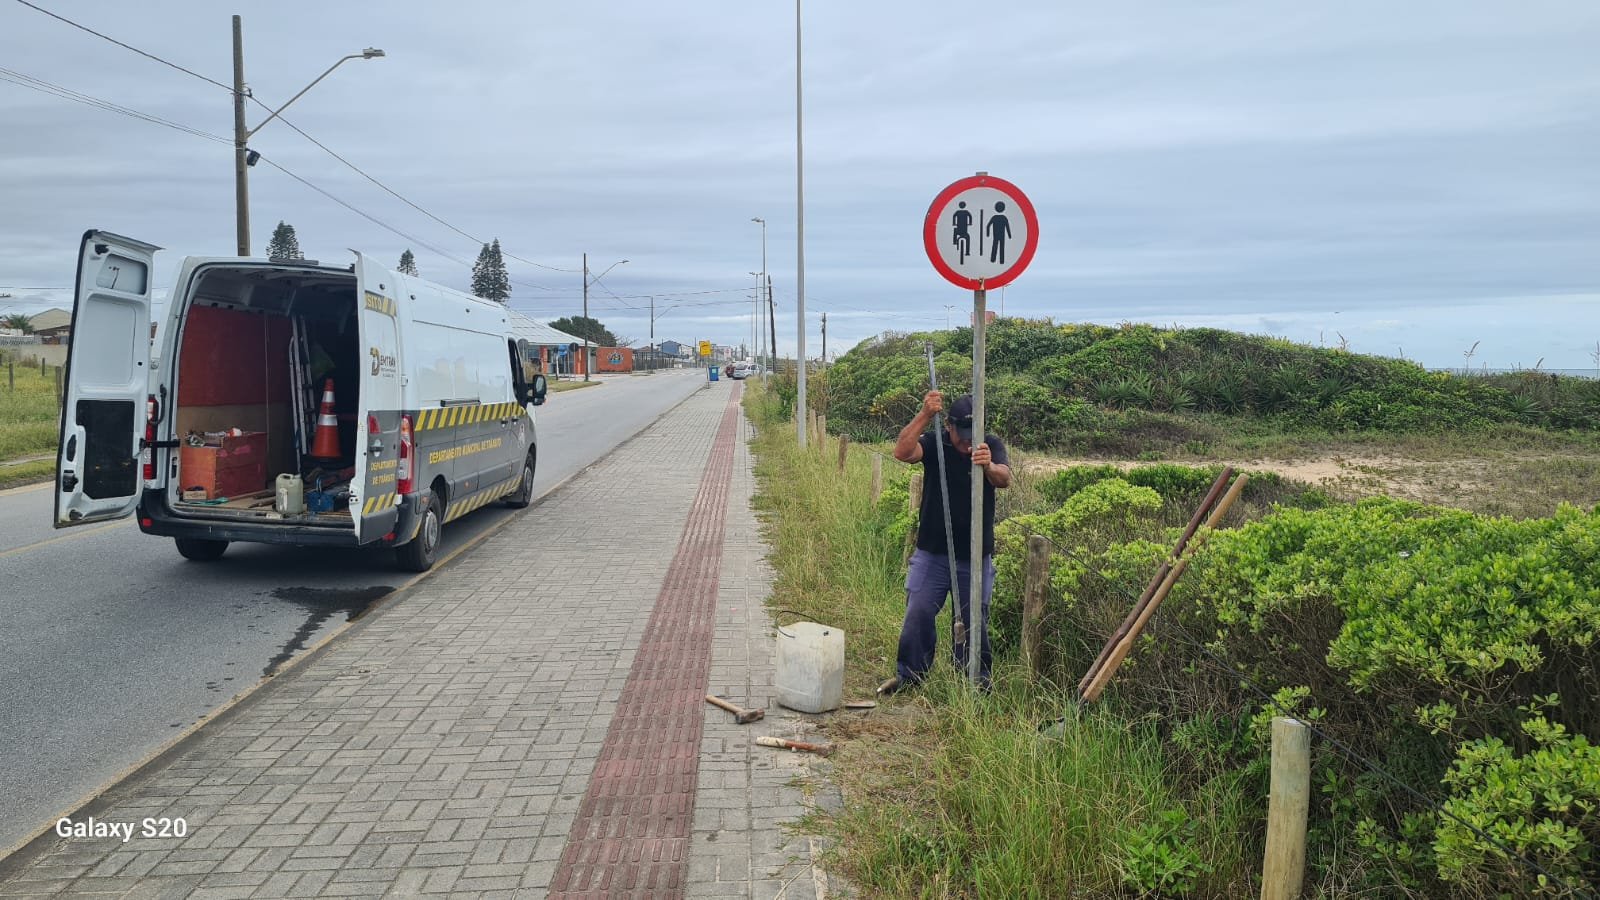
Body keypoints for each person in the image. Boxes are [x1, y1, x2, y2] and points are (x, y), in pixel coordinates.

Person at [883, 391, 1010, 693]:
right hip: (932, 553)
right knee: (919, 611)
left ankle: (974, 684)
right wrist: (925, 414)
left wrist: (989, 467)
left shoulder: (989, 445)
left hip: (975, 555)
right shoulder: (934, 441)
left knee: (973, 620)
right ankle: (909, 678)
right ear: (949, 427)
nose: (967, 443)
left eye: (972, 435)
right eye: (961, 435)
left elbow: (1004, 478)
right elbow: (902, 452)